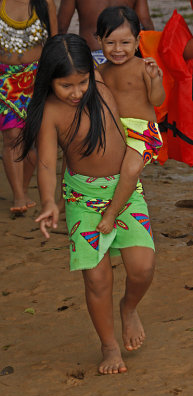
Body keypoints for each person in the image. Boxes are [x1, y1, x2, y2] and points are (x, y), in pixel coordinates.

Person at [18, 33, 158, 374]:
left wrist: (149, 71)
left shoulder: (96, 79)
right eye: (66, 85)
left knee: (142, 268)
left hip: (126, 192)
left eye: (82, 82)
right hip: (83, 199)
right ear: (49, 80)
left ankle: (129, 307)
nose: (77, 91)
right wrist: (49, 201)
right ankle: (110, 346)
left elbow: (120, 47)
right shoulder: (51, 112)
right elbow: (48, 165)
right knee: (96, 280)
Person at [0, 0, 57, 214]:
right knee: (12, 136)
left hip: (37, 79)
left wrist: (56, 80)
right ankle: (18, 195)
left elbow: (55, 44)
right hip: (1, 80)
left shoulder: (45, 3)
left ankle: (22, 187)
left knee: (33, 139)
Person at [95, 6, 165, 232]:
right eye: (110, 42)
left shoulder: (144, 67)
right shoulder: (101, 70)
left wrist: (155, 80)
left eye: (125, 43)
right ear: (99, 41)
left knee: (131, 170)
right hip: (113, 130)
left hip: (142, 132)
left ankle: (111, 214)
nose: (118, 49)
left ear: (137, 42)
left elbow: (157, 100)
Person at [58, 0, 154, 66]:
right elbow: (145, 22)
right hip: (125, 54)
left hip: (92, 56)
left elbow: (61, 27)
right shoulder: (140, 67)